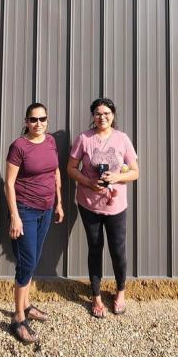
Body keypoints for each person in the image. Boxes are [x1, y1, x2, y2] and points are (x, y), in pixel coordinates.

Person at [67, 97, 140, 318]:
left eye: (106, 113)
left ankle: (120, 292)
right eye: (98, 113)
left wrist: (117, 176)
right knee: (95, 248)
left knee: (118, 250)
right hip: (88, 204)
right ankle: (96, 296)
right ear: (93, 116)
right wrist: (89, 182)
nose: (102, 117)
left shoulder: (122, 139)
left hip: (116, 206)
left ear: (113, 115)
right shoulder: (84, 139)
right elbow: (71, 167)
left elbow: (135, 171)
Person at [4, 102, 64, 344]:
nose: (38, 124)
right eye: (33, 120)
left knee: (34, 258)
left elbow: (55, 172)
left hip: (47, 210)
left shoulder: (50, 141)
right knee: (27, 262)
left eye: (42, 119)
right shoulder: (19, 146)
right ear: (26, 121)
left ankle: (26, 305)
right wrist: (15, 216)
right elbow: (9, 183)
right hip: (25, 211)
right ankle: (18, 317)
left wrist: (59, 202)